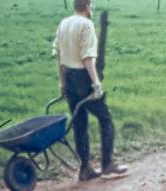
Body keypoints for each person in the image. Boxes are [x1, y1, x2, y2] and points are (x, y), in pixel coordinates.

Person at [53, 0, 126, 181]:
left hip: (69, 77)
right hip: (83, 78)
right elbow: (87, 59)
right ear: (87, 6)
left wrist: (62, 83)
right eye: (91, 6)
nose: (91, 9)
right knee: (105, 118)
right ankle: (107, 163)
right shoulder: (86, 25)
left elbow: (59, 56)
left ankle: (85, 168)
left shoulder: (64, 23)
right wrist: (96, 84)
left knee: (79, 124)